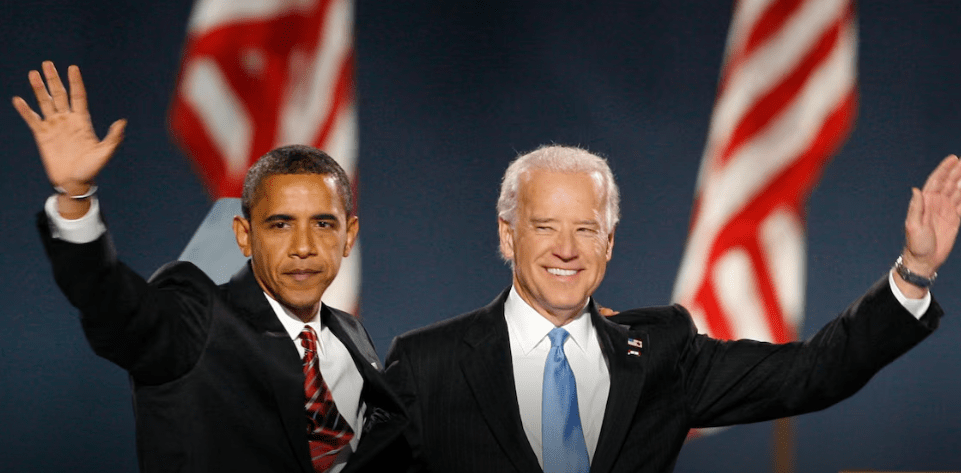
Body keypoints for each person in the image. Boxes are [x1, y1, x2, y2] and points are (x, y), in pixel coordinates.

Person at [384, 144, 961, 473]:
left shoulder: (662, 353)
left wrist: (913, 271)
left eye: (587, 229)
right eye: (545, 228)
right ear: (508, 237)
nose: (567, 248)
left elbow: (813, 373)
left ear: (609, 243)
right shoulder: (426, 363)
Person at [15, 61, 409, 473]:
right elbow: (113, 305)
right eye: (280, 225)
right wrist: (74, 196)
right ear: (244, 235)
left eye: (323, 224)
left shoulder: (351, 335)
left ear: (348, 236)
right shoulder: (197, 319)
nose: (304, 247)